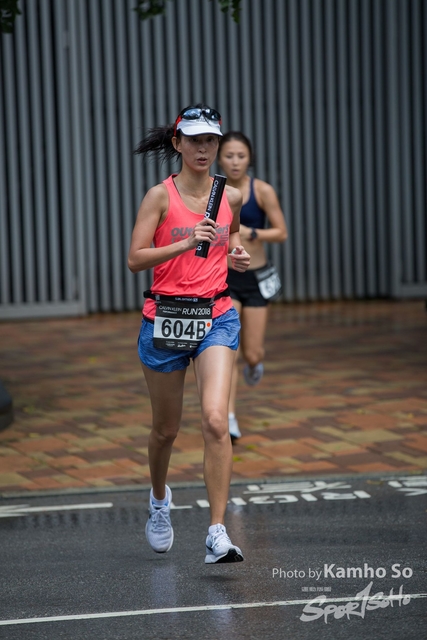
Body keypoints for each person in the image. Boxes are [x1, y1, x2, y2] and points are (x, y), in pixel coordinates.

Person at [128, 105, 250, 564]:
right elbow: (135, 258)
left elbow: (231, 240)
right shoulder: (159, 197)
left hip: (216, 314)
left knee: (216, 421)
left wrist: (236, 255)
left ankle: (217, 531)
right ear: (177, 143)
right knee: (166, 430)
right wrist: (184, 242)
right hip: (166, 318)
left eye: (211, 140)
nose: (204, 148)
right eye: (195, 140)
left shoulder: (230, 195)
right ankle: (160, 500)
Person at [218, 132, 288, 442]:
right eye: (229, 156)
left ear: (250, 158)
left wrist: (253, 233)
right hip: (227, 278)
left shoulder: (262, 190)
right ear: (220, 159)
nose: (235, 162)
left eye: (241, 156)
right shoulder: (215, 191)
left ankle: (256, 364)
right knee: (228, 351)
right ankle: (229, 416)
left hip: (257, 278)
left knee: (252, 353)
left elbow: (281, 232)